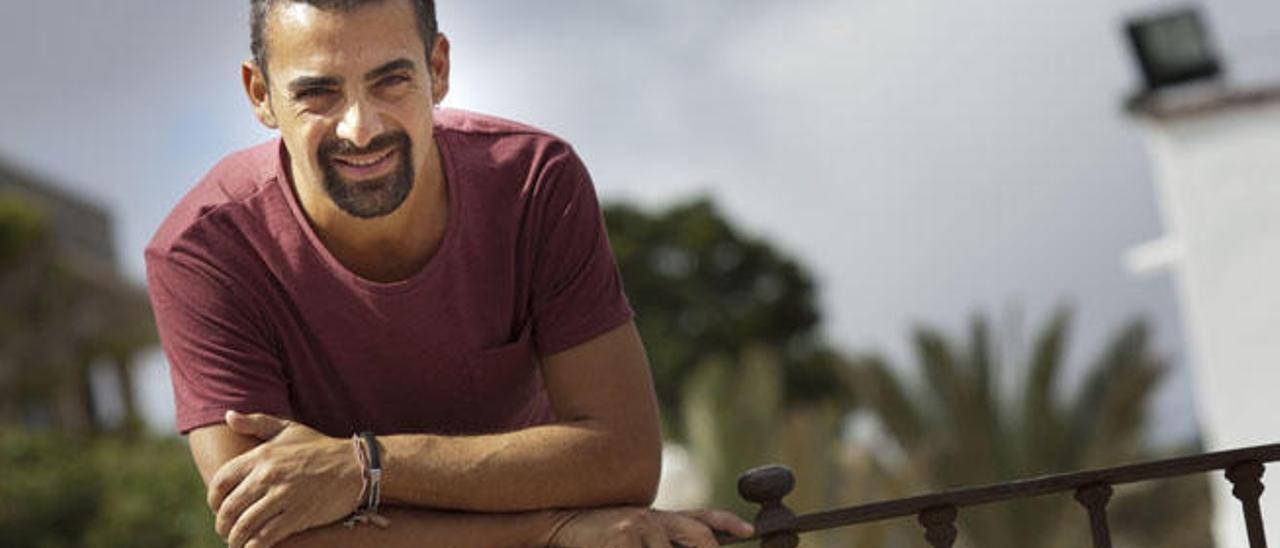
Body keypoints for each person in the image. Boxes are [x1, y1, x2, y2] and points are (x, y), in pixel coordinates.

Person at [144, 0, 754, 546]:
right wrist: (550, 530)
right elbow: (275, 535)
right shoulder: (203, 254)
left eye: (391, 81)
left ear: (438, 68)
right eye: (318, 93)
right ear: (260, 94)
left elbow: (623, 458)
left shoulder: (536, 183)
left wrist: (362, 470)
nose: (362, 127)